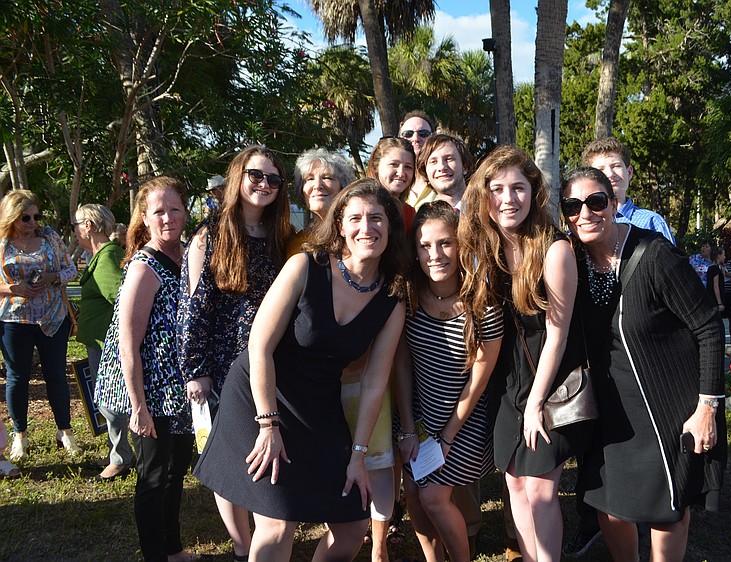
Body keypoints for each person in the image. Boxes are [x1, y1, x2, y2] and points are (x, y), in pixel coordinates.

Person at [194, 179, 407, 562]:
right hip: (260, 395)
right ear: (339, 225)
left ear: (390, 227)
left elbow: (375, 383)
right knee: (277, 523)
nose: (366, 227)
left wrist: (358, 453)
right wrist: (268, 425)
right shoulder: (304, 266)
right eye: (355, 217)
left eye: (377, 218)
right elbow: (259, 346)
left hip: (318, 405)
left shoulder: (392, 298)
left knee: (353, 527)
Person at [561, 167, 726, 562]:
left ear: (614, 204)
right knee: (607, 503)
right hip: (609, 409)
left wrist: (708, 407)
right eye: (573, 206)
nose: (586, 212)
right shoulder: (574, 261)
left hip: (665, 407)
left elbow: (708, 326)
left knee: (666, 508)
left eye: (596, 201)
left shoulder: (654, 255)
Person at [459, 146, 587, 562]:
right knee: (514, 484)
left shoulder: (555, 250)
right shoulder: (488, 248)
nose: (507, 198)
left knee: (540, 488)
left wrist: (534, 404)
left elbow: (558, 334)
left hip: (547, 381)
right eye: (496, 189)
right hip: (508, 380)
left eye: (517, 187)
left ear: (534, 193)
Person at [178, 146, 291, 562]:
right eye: (255, 176)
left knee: (259, 452)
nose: (263, 185)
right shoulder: (210, 235)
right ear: (237, 178)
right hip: (223, 365)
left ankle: (263, 535)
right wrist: (196, 370)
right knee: (228, 459)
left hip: (271, 363)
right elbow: (194, 309)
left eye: (273, 180)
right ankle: (245, 546)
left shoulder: (280, 238)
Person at [94, 177, 198, 562]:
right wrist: (138, 406)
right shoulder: (143, 266)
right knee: (153, 477)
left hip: (181, 390)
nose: (168, 218)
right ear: (144, 216)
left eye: (175, 209)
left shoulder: (187, 255)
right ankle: (155, 554)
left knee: (175, 473)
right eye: (159, 211)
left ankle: (172, 548)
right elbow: (127, 344)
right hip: (151, 391)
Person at [395, 201, 503, 562]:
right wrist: (410, 428)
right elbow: (404, 363)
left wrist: (446, 437)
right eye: (425, 246)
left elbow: (480, 379)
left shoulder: (482, 303)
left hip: (466, 420)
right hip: (421, 416)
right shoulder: (409, 296)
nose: (435, 254)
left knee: (432, 496)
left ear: (461, 246)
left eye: (445, 243)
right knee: (412, 490)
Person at [0, 189, 79, 462]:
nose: (33, 222)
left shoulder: (50, 238)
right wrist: (12, 288)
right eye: (26, 217)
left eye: (36, 215)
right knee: (17, 377)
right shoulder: (2, 244)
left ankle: (65, 431)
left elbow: (72, 270)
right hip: (14, 320)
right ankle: (20, 434)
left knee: (56, 374)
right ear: (12, 217)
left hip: (53, 317)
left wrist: (53, 276)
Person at [73, 203, 131, 481]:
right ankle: (118, 454)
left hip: (109, 345)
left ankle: (120, 458)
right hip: (101, 342)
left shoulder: (107, 257)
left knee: (112, 402)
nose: (74, 231)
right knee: (110, 401)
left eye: (76, 225)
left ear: (89, 226)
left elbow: (122, 299)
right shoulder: (101, 256)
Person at [581, 137, 675, 244]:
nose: (610, 174)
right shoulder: (584, 224)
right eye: (600, 169)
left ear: (629, 172)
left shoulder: (652, 223)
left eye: (616, 166)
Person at [286, 147, 354, 258]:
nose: (317, 186)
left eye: (327, 177)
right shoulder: (294, 244)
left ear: (343, 187)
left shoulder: (355, 234)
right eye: (310, 179)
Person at [367, 136, 417, 230]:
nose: (401, 173)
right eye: (394, 164)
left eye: (408, 167)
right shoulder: (362, 206)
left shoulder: (409, 213)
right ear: (375, 166)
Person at [417, 134, 473, 211]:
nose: (442, 167)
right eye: (433, 161)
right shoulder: (421, 216)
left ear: (465, 167)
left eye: (449, 159)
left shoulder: (487, 209)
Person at [399, 110, 437, 210]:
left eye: (423, 134)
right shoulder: (392, 182)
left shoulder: (443, 178)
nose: (415, 138)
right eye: (408, 134)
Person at [706, 246, 725, 313]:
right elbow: (716, 286)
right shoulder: (715, 269)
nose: (724, 257)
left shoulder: (711, 268)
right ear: (718, 256)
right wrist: (719, 303)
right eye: (723, 255)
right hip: (715, 299)